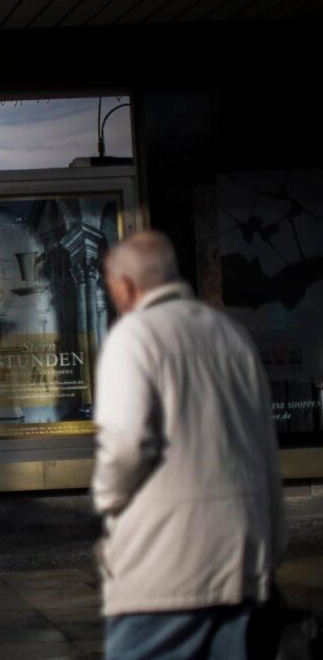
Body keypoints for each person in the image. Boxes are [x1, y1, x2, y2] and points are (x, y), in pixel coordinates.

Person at [92, 231, 286, 659]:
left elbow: (125, 445)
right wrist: (272, 543)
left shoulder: (134, 336)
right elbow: (264, 448)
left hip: (164, 566)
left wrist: (107, 502)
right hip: (241, 558)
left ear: (126, 285)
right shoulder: (231, 334)